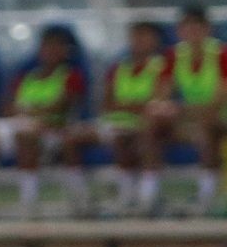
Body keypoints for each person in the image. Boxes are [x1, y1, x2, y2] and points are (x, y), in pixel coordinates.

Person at [0, 25, 88, 220]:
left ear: (65, 51)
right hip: (15, 126)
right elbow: (7, 107)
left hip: (51, 133)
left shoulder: (71, 76)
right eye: (47, 47)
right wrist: (30, 111)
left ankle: (29, 203)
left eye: (56, 47)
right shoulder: (26, 76)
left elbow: (59, 108)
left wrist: (27, 111)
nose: (50, 52)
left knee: (26, 133)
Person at [68, 21, 170, 217]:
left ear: (155, 40)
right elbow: (106, 104)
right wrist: (134, 105)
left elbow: (157, 101)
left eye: (144, 36)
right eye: (135, 36)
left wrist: (126, 105)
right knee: (72, 138)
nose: (138, 41)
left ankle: (143, 199)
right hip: (114, 122)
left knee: (135, 138)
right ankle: (80, 202)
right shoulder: (118, 67)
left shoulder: (162, 67)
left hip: (143, 126)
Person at [161, 6, 227, 216]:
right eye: (187, 28)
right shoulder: (174, 55)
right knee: (153, 125)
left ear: (208, 29)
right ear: (179, 31)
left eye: (197, 27)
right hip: (190, 120)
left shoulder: (223, 54)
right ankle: (146, 194)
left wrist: (187, 112)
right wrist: (174, 111)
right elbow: (162, 94)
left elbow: (225, 95)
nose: (192, 33)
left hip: (222, 119)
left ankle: (206, 197)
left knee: (207, 127)